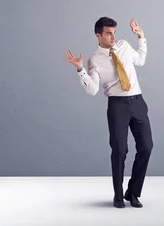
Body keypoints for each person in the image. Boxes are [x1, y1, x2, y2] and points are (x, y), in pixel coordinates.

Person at [65, 17, 153, 209]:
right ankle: (119, 195)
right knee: (120, 150)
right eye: (108, 33)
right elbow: (93, 90)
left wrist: (141, 37)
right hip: (117, 106)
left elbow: (140, 60)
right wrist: (80, 69)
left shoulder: (124, 45)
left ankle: (133, 193)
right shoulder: (94, 59)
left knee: (146, 147)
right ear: (98, 35)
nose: (113, 37)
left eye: (114, 32)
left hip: (137, 101)